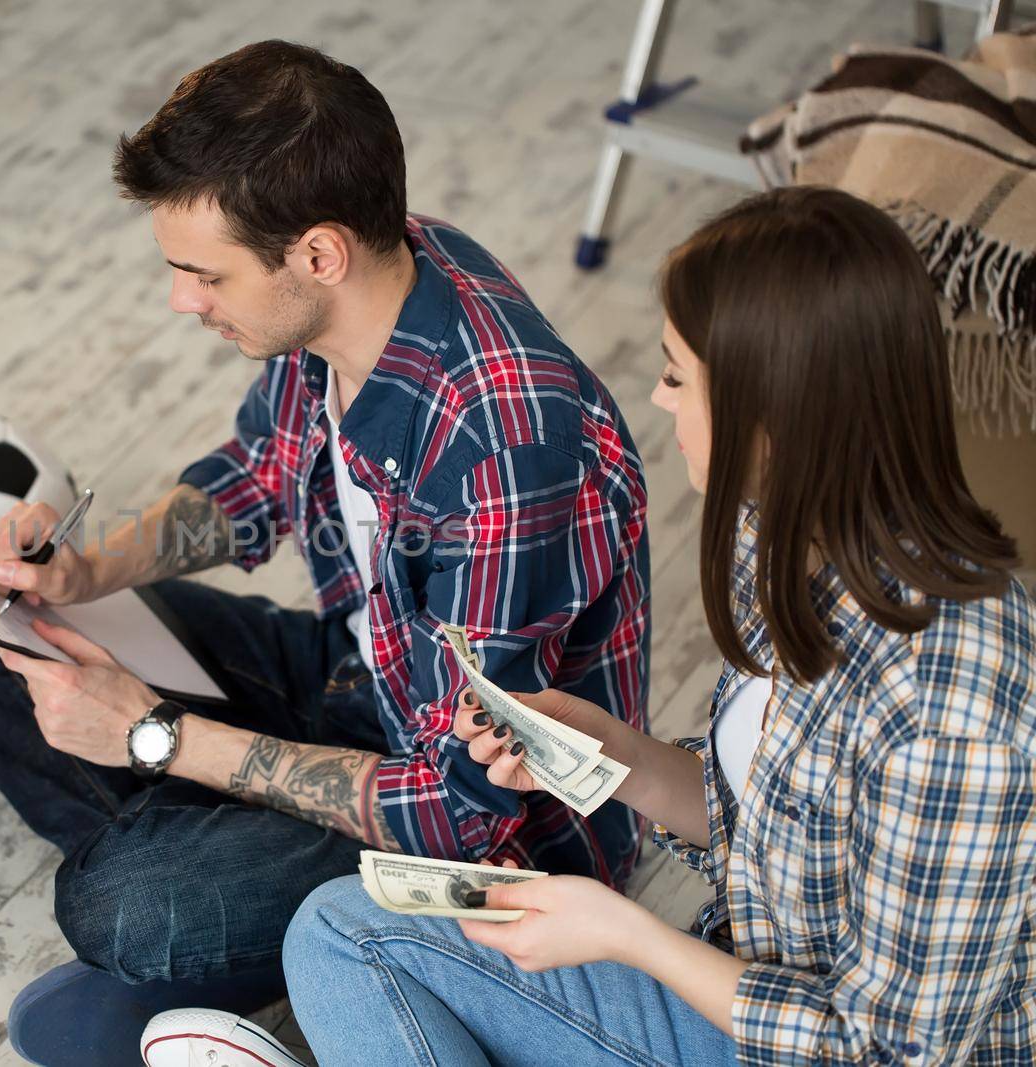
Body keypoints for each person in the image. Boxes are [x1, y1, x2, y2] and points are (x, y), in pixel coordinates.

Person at [0, 39, 651, 1064]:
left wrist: (159, 737)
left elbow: (465, 812)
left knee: (115, 903)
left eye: (205, 274)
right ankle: (207, 907)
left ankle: (193, 896)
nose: (182, 300)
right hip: (358, 673)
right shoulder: (382, 275)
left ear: (317, 253)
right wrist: (85, 570)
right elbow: (255, 472)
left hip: (478, 833)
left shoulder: (503, 452)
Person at [269, 186, 1034, 1066]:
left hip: (805, 1047)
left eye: (676, 374)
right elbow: (776, 821)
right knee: (337, 927)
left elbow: (888, 1049)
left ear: (769, 418)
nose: (657, 399)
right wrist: (614, 754)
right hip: (744, 983)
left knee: (346, 941)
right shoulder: (782, 536)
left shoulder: (954, 713)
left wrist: (631, 936)